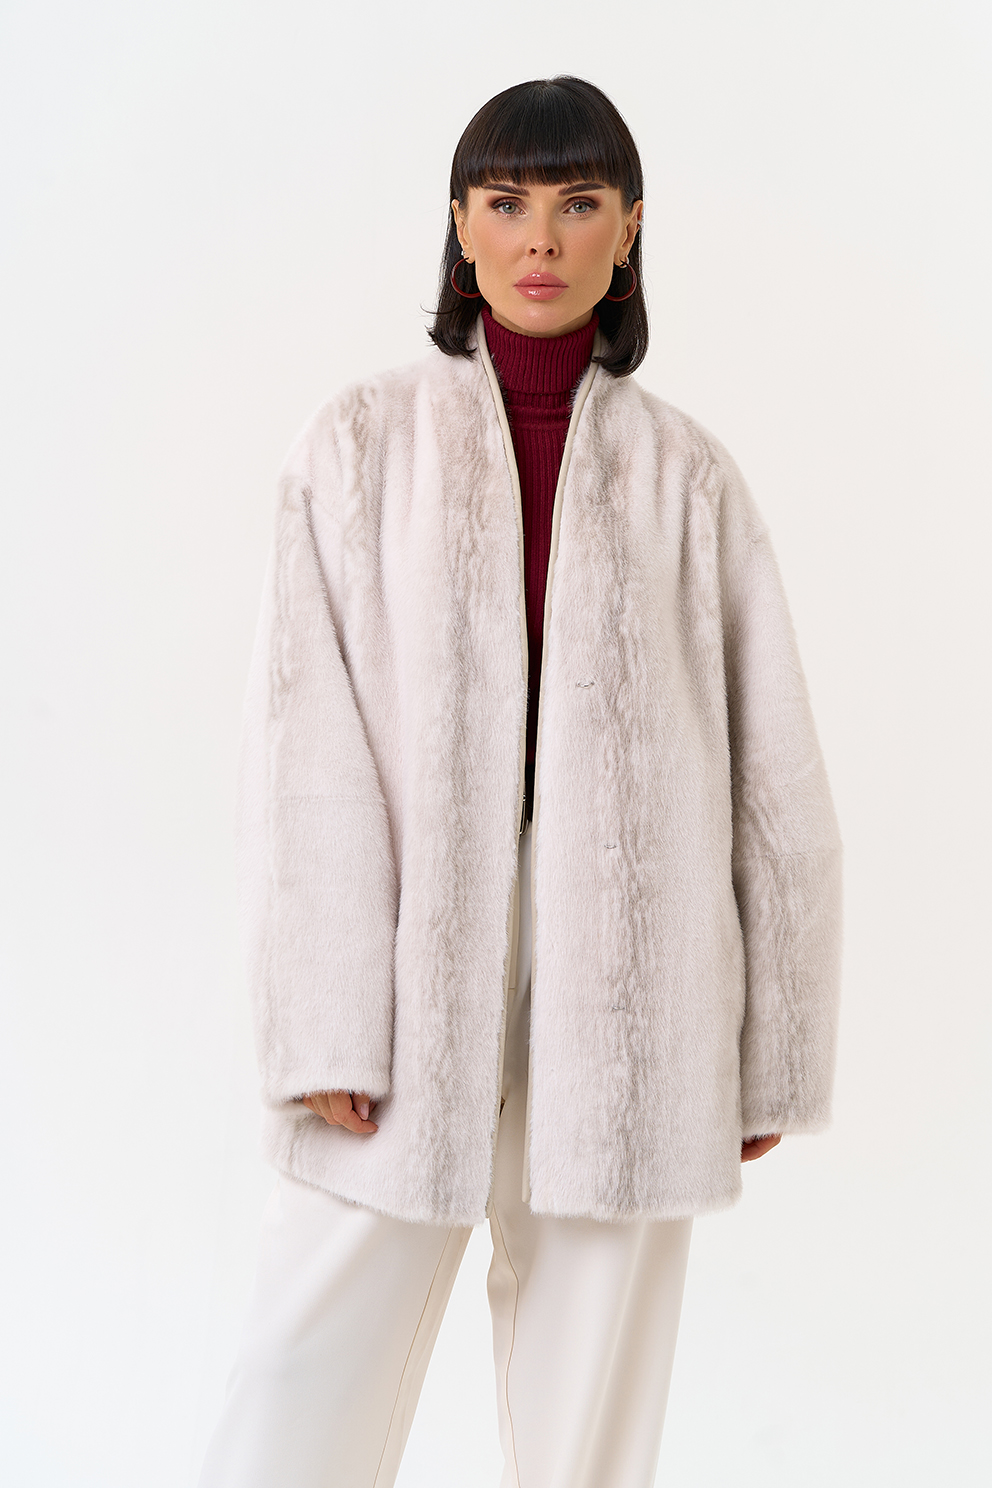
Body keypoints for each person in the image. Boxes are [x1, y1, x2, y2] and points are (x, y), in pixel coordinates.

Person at [199, 75, 842, 1488]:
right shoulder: (358, 449)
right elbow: (303, 747)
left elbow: (773, 775)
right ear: (461, 226)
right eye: (506, 202)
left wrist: (770, 1045)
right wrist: (324, 1018)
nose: (540, 237)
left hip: (639, 979)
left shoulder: (691, 480)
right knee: (306, 1355)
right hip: (407, 957)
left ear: (628, 231)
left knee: (594, 1394)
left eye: (577, 202)